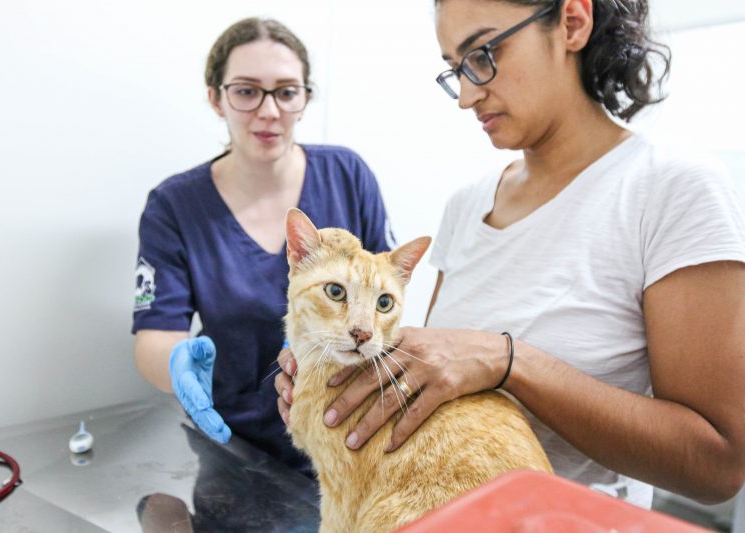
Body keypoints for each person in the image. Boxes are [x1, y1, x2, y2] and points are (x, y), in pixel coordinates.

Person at [276, 0, 745, 507]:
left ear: (572, 22)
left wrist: (510, 360)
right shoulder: (468, 204)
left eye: (483, 53)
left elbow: (718, 467)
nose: (467, 96)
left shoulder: (672, 190)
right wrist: (324, 378)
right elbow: (430, 382)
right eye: (456, 69)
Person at [132, 17, 394, 475]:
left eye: (287, 92)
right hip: (234, 453)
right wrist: (176, 364)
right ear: (216, 98)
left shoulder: (347, 177)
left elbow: (389, 301)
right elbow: (155, 336)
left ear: (305, 98)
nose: (269, 111)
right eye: (247, 91)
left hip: (348, 437)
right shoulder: (174, 206)